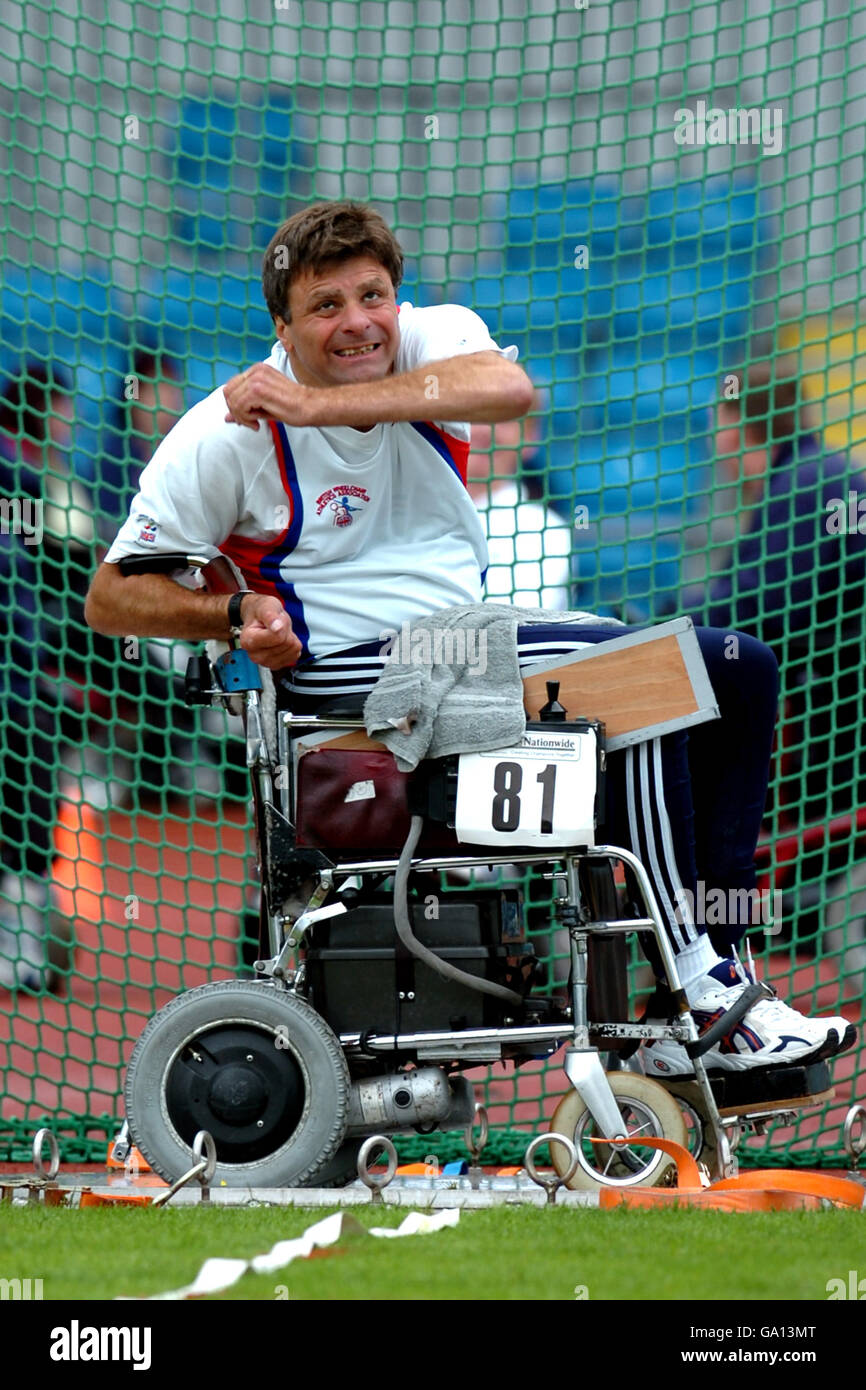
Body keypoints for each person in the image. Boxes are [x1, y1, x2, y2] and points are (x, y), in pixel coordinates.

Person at [85, 200, 855, 1081]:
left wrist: (317, 401)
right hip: (345, 673)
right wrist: (230, 615)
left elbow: (509, 392)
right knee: (638, 681)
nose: (356, 321)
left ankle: (721, 978)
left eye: (370, 295)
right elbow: (111, 595)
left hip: (467, 641)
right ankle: (695, 993)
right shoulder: (227, 435)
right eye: (325, 305)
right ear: (282, 326)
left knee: (739, 668)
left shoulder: (433, 338)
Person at [680, 355, 866, 824]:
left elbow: (756, 606)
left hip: (837, 726)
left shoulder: (810, 482)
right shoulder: (812, 475)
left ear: (740, 424)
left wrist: (660, 625)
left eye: (717, 425)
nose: (714, 445)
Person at [0, 364, 76, 991]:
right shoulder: (17, 479)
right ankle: (20, 951)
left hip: (26, 679)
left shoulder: (32, 486)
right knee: (24, 811)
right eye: (57, 408)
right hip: (16, 685)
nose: (67, 422)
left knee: (28, 811)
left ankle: (24, 947)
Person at [467, 412, 572, 609]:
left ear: (529, 436)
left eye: (503, 420)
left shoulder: (545, 531)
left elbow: (509, 624)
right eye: (471, 418)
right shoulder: (403, 511)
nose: (483, 431)